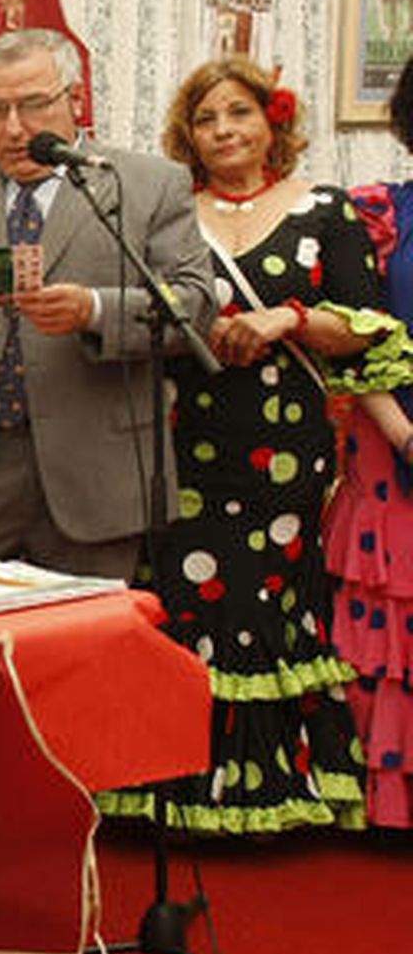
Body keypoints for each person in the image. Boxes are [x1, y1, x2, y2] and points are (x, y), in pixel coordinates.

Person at [102, 56, 400, 833]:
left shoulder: (326, 211)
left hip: (285, 447)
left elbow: (365, 330)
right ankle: (176, 790)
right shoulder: (168, 214)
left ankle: (273, 791)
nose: (224, 130)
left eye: (238, 112)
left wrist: (288, 318)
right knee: (184, 596)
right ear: (188, 138)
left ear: (272, 121)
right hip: (182, 439)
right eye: (206, 119)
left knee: (269, 599)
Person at [0, 27, 218, 581]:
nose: (13, 129)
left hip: (96, 472)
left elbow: (194, 305)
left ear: (76, 100)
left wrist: (96, 311)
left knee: (87, 654)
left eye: (33, 105)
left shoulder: (146, 186)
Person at [322, 56, 413, 829]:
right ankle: (387, 803)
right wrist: (402, 430)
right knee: (390, 618)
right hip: (392, 443)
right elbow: (352, 331)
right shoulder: (376, 213)